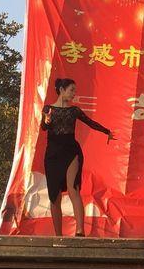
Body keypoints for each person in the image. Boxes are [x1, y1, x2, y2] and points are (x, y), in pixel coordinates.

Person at [41, 77, 115, 236]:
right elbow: (43, 127)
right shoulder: (48, 108)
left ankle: (80, 231)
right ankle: (58, 236)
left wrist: (107, 131)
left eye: (75, 90)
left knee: (73, 189)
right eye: (71, 90)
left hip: (71, 151)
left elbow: (90, 122)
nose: (74, 93)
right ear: (62, 90)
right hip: (53, 154)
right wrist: (46, 120)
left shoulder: (74, 111)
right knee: (54, 196)